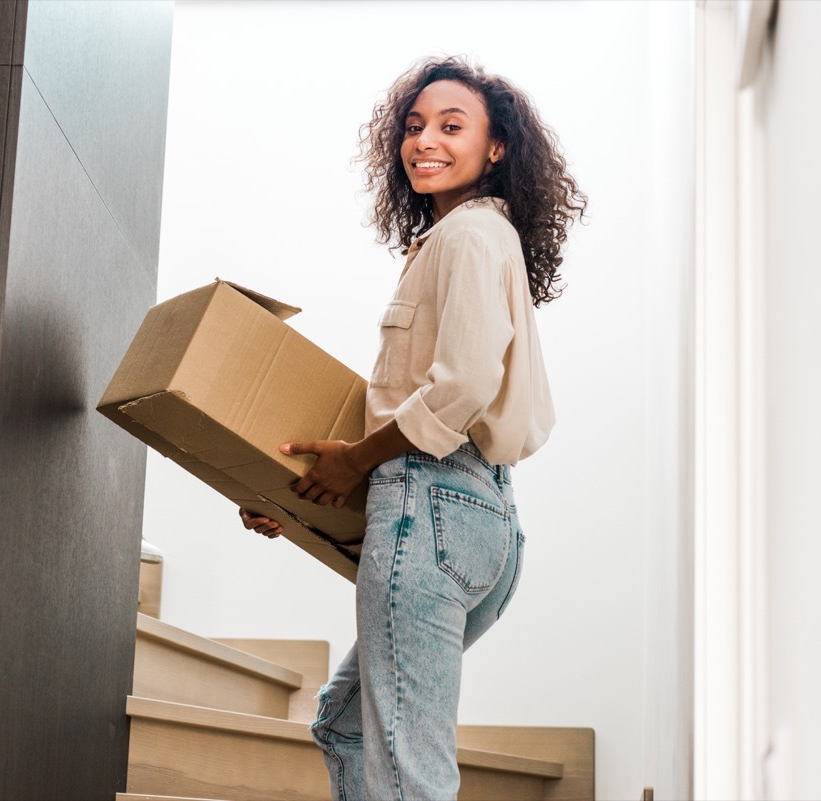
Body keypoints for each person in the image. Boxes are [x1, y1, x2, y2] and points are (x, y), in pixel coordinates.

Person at [240, 56, 586, 801]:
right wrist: (304, 496)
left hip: (433, 512)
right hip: (478, 519)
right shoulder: (466, 239)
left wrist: (355, 461)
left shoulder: (468, 235)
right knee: (346, 724)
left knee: (409, 776)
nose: (425, 139)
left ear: (496, 149)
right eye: (415, 125)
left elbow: (458, 388)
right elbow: (418, 426)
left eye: (452, 126)